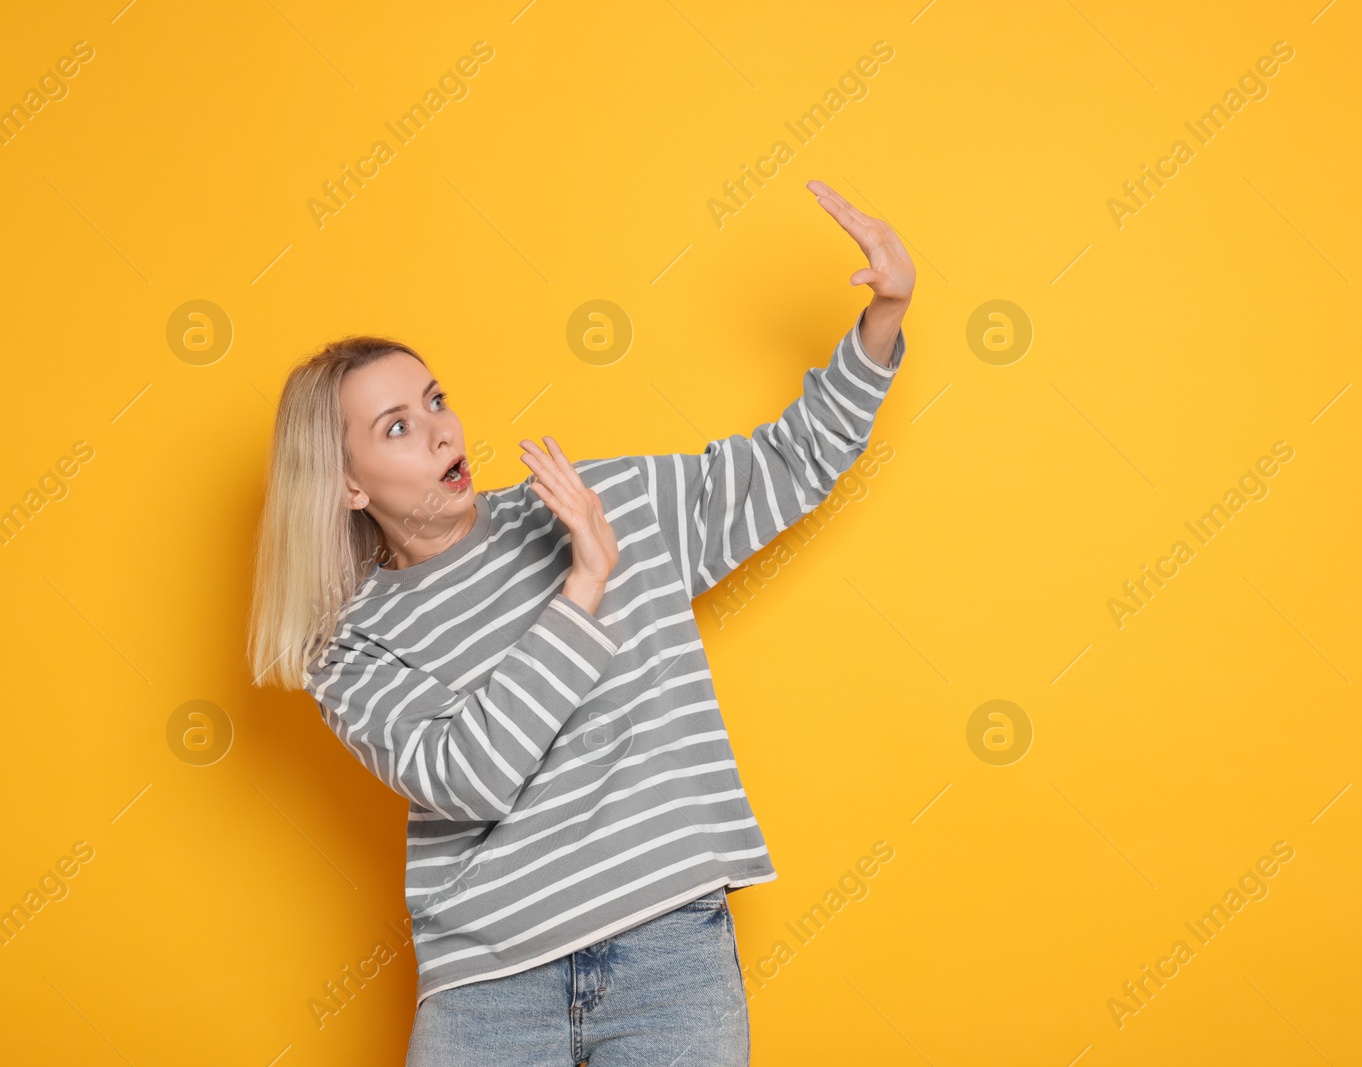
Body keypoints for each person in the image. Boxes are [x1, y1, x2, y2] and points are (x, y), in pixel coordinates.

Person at [247, 180, 915, 1065]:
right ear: (346, 485)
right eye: (399, 426)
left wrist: (884, 321)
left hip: (668, 954)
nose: (444, 431)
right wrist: (583, 589)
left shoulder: (600, 505)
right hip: (487, 989)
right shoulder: (347, 648)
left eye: (437, 400)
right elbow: (471, 777)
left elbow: (787, 466)